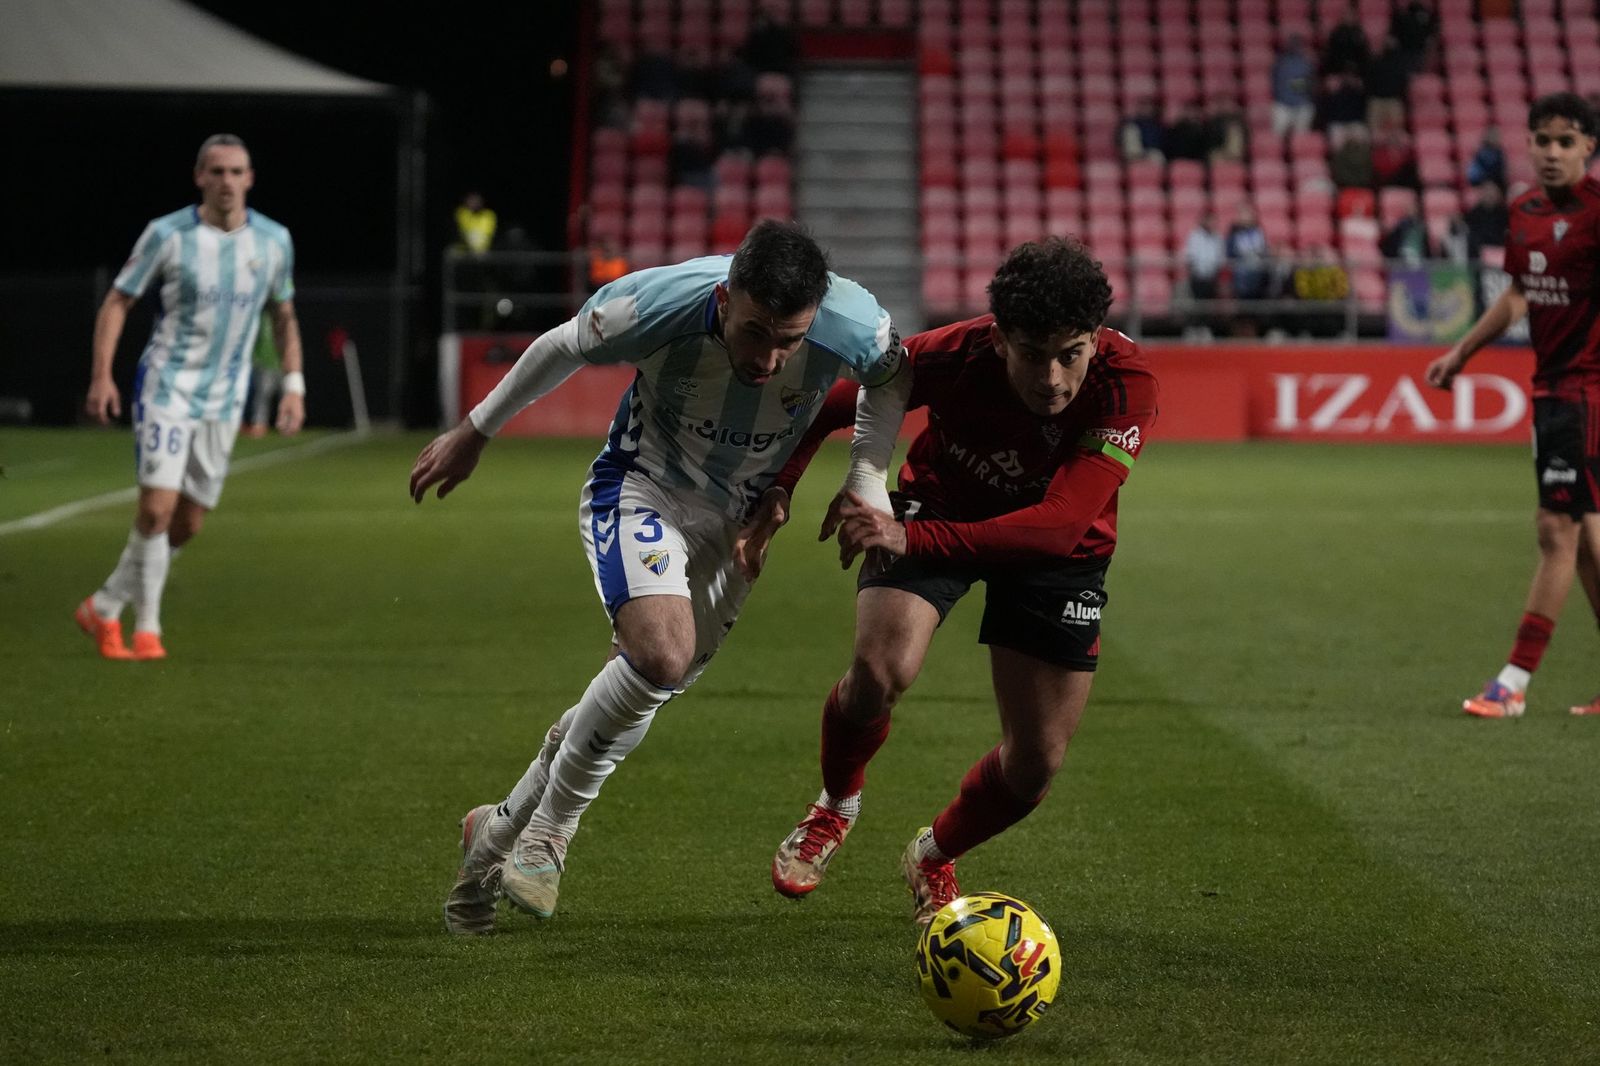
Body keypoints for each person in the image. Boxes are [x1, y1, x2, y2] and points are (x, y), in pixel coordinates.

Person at [415, 220, 904, 934]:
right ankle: (549, 834)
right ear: (726, 296)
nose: (769, 359)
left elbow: (894, 377)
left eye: (790, 341)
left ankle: (493, 835)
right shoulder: (654, 304)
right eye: (756, 332)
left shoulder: (853, 320)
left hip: (735, 525)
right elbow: (561, 345)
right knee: (661, 654)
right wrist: (476, 429)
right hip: (643, 488)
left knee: (638, 690)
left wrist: (864, 477)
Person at [760, 237, 1158, 925]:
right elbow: (835, 402)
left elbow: (1058, 526)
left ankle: (934, 854)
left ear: (1096, 338)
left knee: (1036, 761)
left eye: (1071, 353)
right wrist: (782, 486)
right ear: (999, 339)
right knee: (878, 671)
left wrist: (904, 537)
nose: (1054, 378)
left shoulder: (1127, 382)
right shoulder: (954, 352)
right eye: (1032, 354)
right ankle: (835, 804)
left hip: (1057, 550)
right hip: (942, 502)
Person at [76, 134, 304, 661]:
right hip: (168, 387)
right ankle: (147, 629)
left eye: (236, 172)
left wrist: (294, 385)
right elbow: (117, 301)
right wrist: (101, 376)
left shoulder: (274, 241)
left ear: (250, 179)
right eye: (216, 171)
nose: (227, 181)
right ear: (199, 176)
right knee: (156, 511)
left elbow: (284, 314)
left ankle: (105, 605)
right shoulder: (168, 234)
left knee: (187, 524)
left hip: (225, 398)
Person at [1423, 93, 1600, 718]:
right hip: (1552, 389)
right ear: (1527, 144)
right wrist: (1461, 352)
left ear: (1589, 148)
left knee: (1556, 528)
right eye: (1542, 140)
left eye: (1566, 141)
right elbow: (1521, 295)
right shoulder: (1524, 213)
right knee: (1585, 537)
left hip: (1587, 392)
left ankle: (1513, 683)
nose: (1552, 152)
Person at [243, 310, 283, 439]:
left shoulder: (282, 319)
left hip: (282, 364)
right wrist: (256, 360)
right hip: (265, 363)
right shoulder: (260, 317)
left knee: (285, 395)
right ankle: (259, 424)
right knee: (262, 396)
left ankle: (287, 423)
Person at [1272, 35, 1317, 137]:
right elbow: (1282, 85)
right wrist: (1298, 85)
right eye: (1292, 44)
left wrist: (1296, 85)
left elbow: (1311, 84)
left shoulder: (1307, 63)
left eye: (1297, 45)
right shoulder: (1281, 63)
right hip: (1283, 104)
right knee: (1277, 136)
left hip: (1302, 104)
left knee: (1301, 137)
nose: (1295, 47)